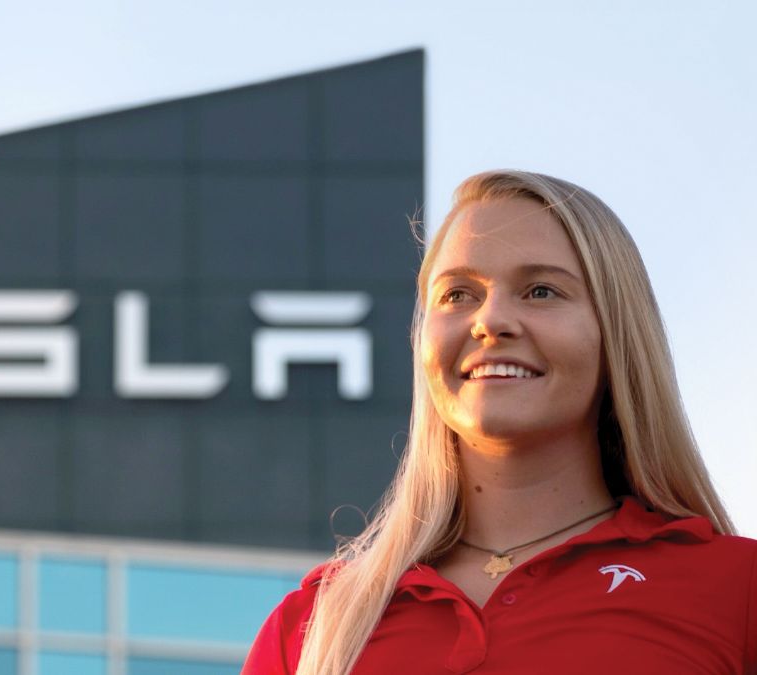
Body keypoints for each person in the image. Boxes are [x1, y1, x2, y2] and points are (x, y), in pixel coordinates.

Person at [242, 170, 757, 674]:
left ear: (616, 335)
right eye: (458, 294)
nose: (488, 321)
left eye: (540, 291)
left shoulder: (737, 590)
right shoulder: (311, 626)